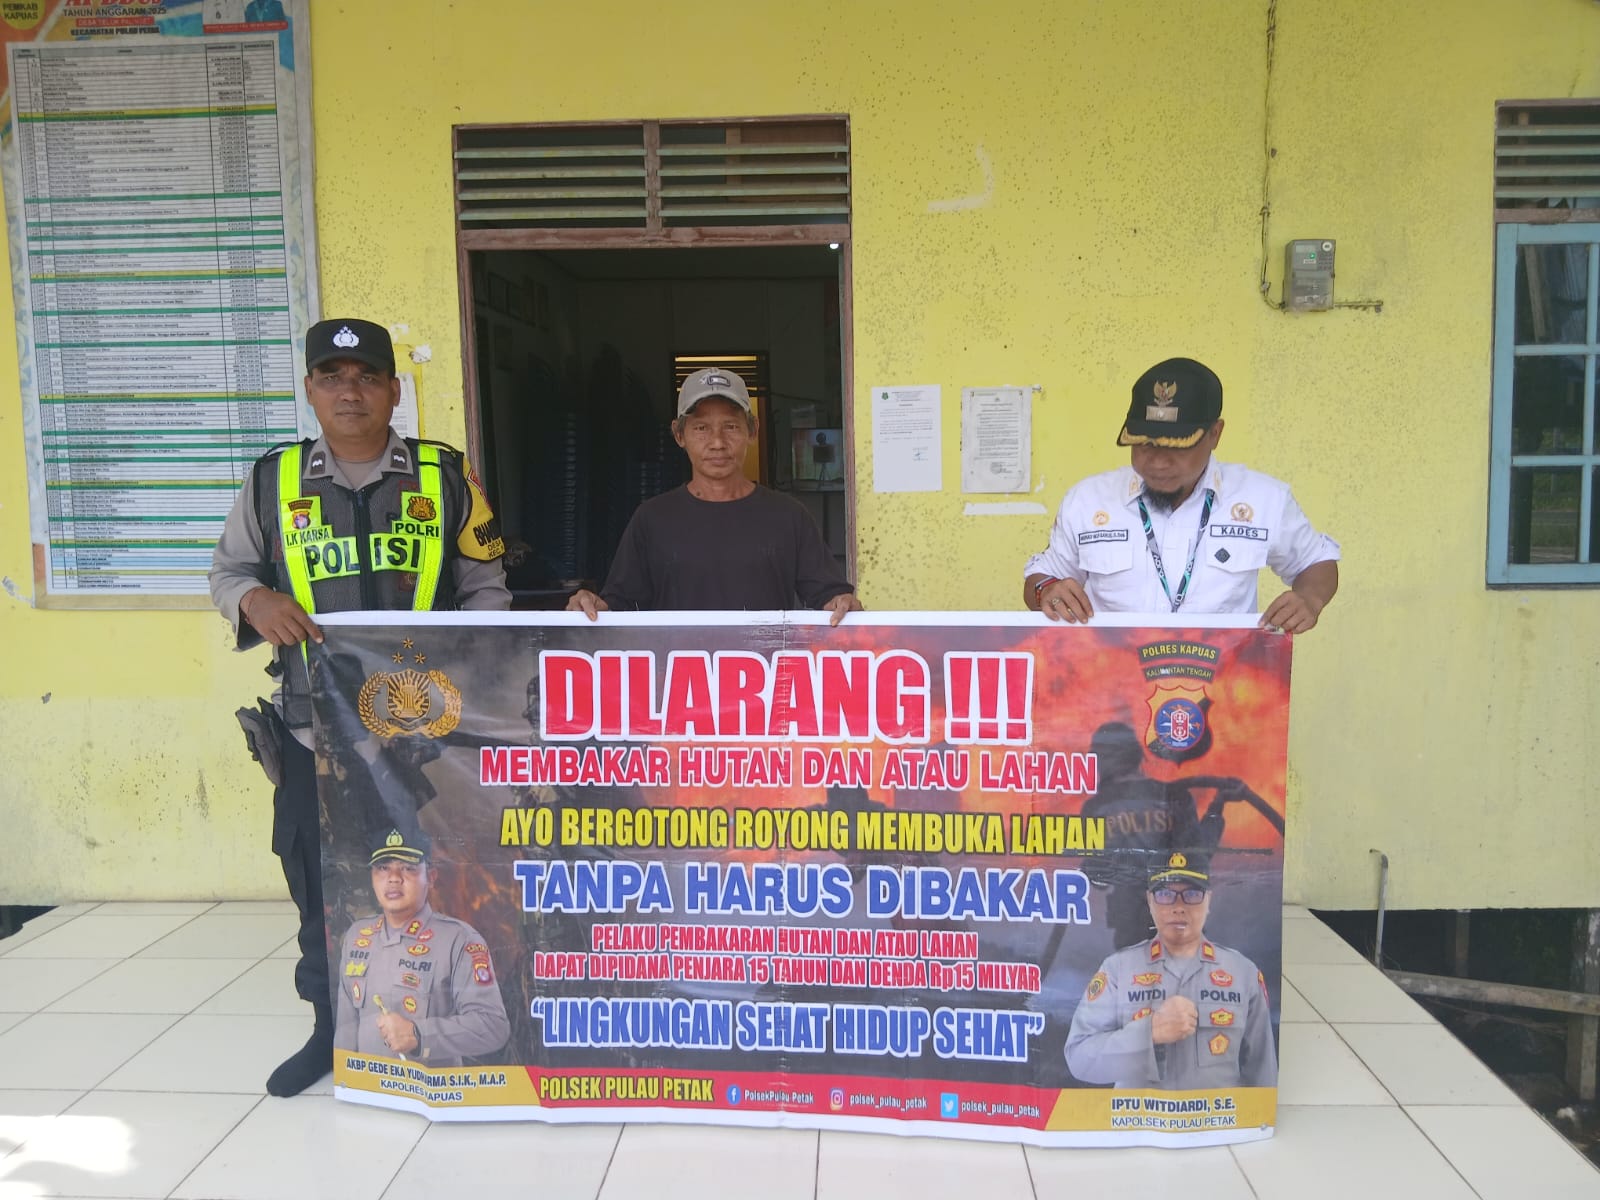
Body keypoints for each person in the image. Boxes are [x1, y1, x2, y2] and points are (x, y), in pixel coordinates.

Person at [209, 317, 510, 1096]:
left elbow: (486, 586)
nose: (351, 391)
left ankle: (446, 1025)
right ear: (311, 389)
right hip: (314, 730)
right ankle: (330, 1032)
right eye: (333, 377)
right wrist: (255, 601)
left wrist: (461, 664)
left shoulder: (445, 476)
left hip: (421, 741)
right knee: (320, 883)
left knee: (430, 879)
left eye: (368, 377)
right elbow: (229, 573)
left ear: (393, 390)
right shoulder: (273, 480)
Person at [1023, 357, 1339, 632]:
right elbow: (1041, 578)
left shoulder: (1264, 498)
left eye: (1177, 447)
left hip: (1224, 678)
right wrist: (1047, 590)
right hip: (1111, 676)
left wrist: (1309, 599)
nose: (1158, 462)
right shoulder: (1087, 500)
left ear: (1215, 434)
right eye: (1145, 444)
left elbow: (1315, 561)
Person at [567, 366, 861, 623]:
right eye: (701, 428)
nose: (717, 442)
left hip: (762, 669)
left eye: (731, 426)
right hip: (677, 670)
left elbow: (829, 598)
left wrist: (843, 603)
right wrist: (592, 606)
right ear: (678, 434)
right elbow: (619, 607)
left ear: (752, 430)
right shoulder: (652, 519)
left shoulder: (789, 516)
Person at [1065, 852, 1277, 1089]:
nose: (1178, 907)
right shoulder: (1117, 969)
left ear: (1208, 900)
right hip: (1139, 1112)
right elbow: (1079, 1057)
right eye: (1165, 894)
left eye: (1192, 894)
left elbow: (1263, 1074)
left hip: (1216, 1112)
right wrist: (1149, 1033)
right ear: (1150, 900)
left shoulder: (1243, 972)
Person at [335, 827, 510, 1065]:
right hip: (369, 1083)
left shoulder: (459, 939)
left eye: (408, 868)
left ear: (432, 877)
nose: (394, 878)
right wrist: (346, 1078)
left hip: (433, 1085)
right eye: (383, 868)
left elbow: (493, 1026)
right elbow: (346, 1028)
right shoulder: (357, 936)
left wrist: (420, 1035)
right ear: (372, 877)